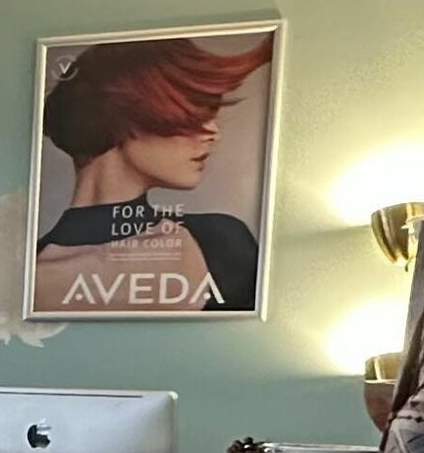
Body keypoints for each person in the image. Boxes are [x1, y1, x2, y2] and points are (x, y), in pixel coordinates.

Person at [31, 32, 274, 314]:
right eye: (190, 113)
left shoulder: (222, 243)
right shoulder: (21, 274)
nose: (212, 132)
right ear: (119, 115)